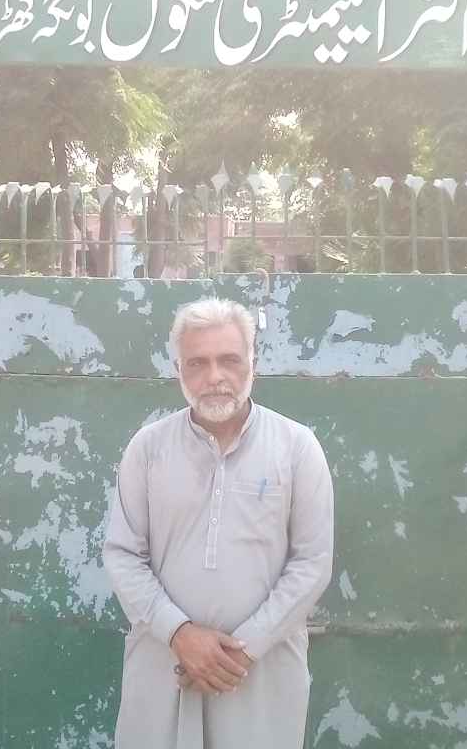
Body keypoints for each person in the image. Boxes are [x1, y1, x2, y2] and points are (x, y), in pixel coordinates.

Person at [103, 298, 334, 749]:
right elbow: (123, 554)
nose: (214, 377)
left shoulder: (296, 448)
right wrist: (179, 634)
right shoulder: (148, 449)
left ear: (253, 364)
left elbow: (312, 563)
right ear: (178, 370)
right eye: (198, 363)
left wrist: (238, 652)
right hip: (164, 665)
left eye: (229, 360)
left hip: (258, 675)